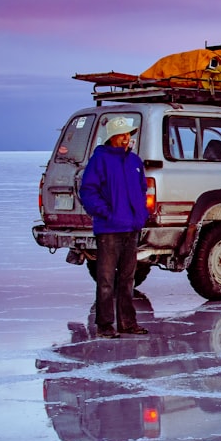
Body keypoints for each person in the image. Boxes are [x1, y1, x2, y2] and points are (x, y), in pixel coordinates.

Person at [79, 117, 150, 338]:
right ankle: (105, 325)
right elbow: (88, 192)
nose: (127, 138)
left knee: (128, 279)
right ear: (112, 137)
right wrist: (106, 213)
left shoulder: (135, 162)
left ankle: (128, 323)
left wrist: (141, 215)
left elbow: (141, 191)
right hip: (109, 229)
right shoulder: (99, 160)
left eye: (128, 134)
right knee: (106, 280)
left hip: (132, 228)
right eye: (122, 134)